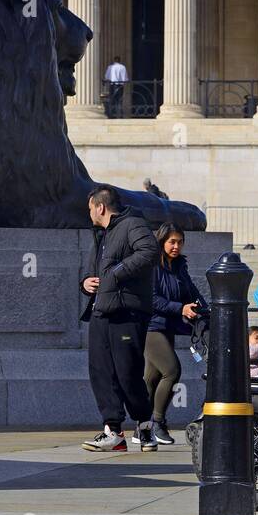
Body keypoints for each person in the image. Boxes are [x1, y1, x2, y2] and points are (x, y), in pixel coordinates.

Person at [80, 185, 159, 453]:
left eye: (90, 208)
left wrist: (117, 273)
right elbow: (97, 271)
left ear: (100, 207)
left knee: (128, 371)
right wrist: (86, 283)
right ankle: (113, 431)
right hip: (102, 310)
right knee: (101, 371)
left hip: (127, 312)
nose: (89, 214)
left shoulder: (131, 224)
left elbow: (149, 252)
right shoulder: (103, 234)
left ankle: (145, 426)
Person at [143, 222, 210, 445]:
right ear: (161, 242)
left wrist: (204, 307)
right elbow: (152, 299)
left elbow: (191, 290)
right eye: (172, 242)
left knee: (151, 379)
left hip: (168, 326)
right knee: (172, 371)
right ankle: (158, 422)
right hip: (150, 326)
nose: (176, 246)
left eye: (180, 242)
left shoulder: (179, 265)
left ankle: (142, 427)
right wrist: (180, 308)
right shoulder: (151, 265)